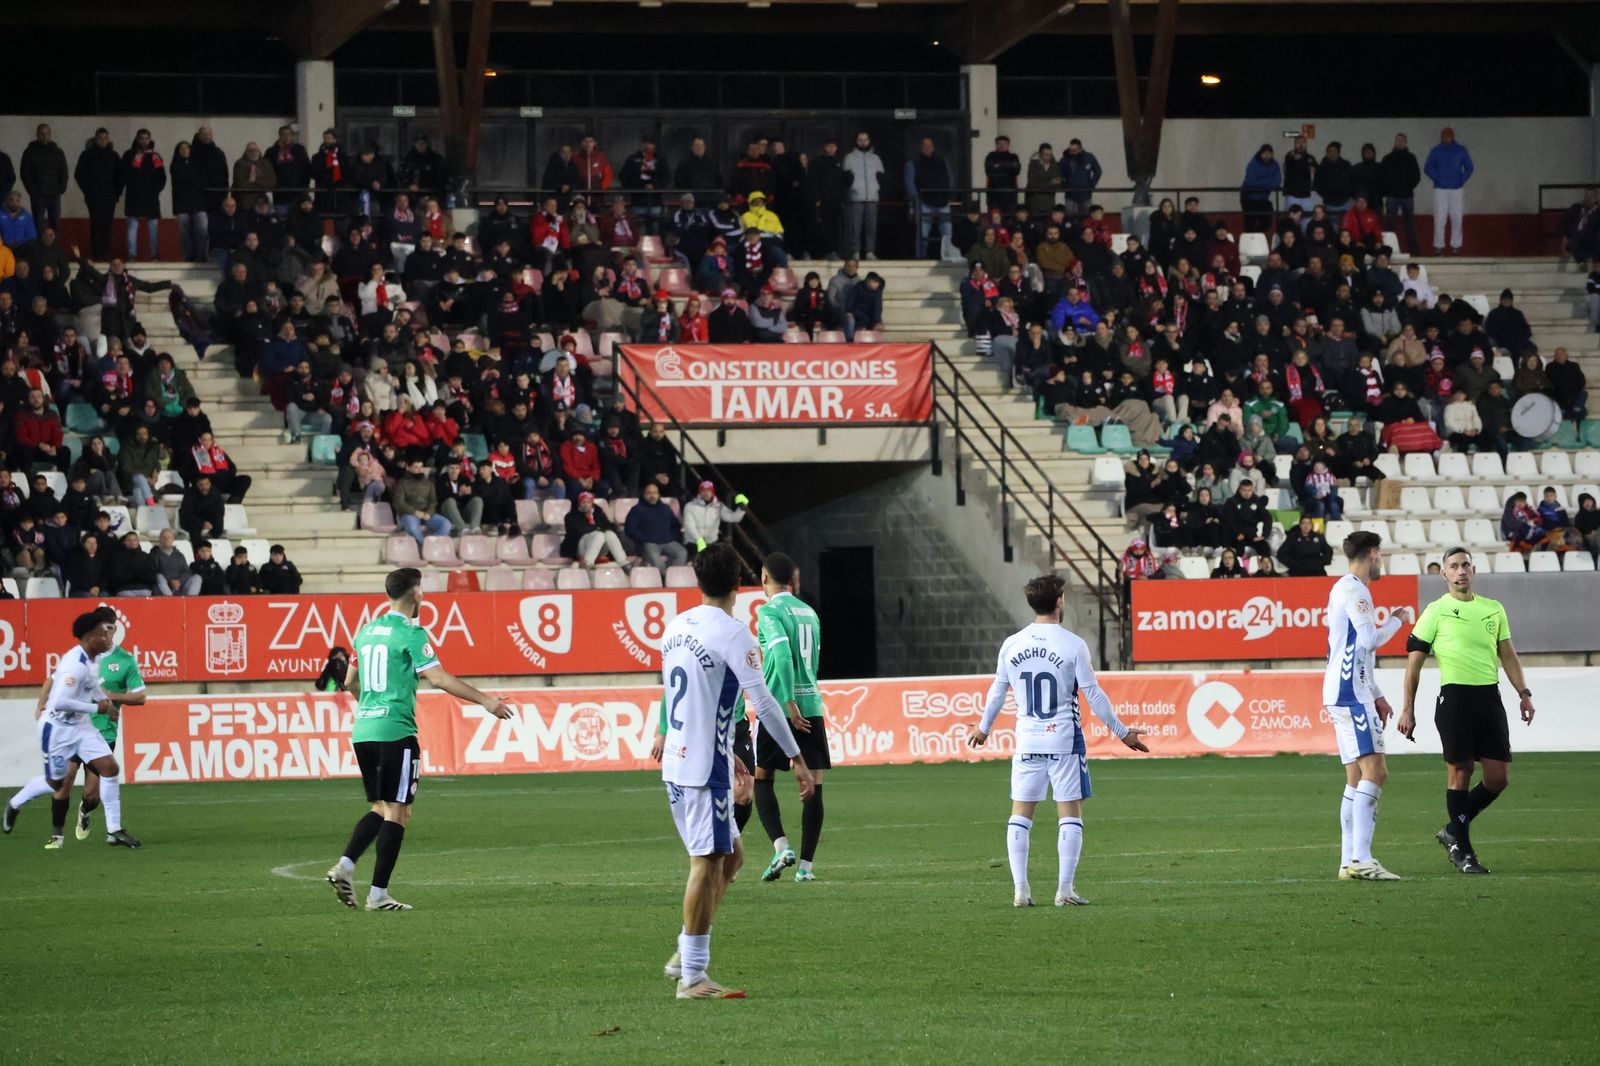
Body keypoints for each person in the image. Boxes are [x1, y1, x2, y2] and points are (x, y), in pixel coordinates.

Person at [650, 543, 813, 999]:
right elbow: (762, 702)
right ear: (739, 584)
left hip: (684, 762)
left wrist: (725, 747)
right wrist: (796, 757)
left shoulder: (676, 626)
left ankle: (687, 949)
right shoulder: (735, 632)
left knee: (734, 857)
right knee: (705, 863)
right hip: (703, 771)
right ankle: (693, 977)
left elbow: (676, 691)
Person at [324, 568, 512, 912]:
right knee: (399, 811)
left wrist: (371, 707)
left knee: (381, 808)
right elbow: (438, 678)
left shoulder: (366, 631)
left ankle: (348, 867)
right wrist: (486, 700)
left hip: (364, 729)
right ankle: (376, 894)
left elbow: (350, 681)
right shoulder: (411, 633)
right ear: (416, 593)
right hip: (395, 730)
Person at [968, 574, 1149, 908]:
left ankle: (1021, 890)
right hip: (1064, 741)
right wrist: (1123, 733)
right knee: (1070, 815)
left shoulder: (1012, 644)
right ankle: (1064, 890)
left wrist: (983, 727)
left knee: (1020, 814)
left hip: (1027, 740)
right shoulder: (1072, 644)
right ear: (1060, 601)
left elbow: (998, 691)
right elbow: (1093, 695)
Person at [1399, 548, 1534, 876]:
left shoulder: (1493, 609)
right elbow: (1413, 667)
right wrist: (1408, 708)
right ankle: (1464, 851)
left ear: (1473, 570)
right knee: (1460, 771)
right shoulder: (1435, 611)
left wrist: (1524, 693)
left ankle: (1451, 831)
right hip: (1455, 699)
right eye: (1453, 566)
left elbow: (1509, 656)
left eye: (1465, 565)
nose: (1460, 571)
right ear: (1444, 574)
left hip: (1489, 698)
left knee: (1498, 778)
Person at [1, 611, 139, 848]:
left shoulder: (90, 660)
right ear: (89, 637)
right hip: (57, 729)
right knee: (56, 784)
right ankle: (15, 803)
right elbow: (60, 702)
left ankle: (114, 829)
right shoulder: (74, 665)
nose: (108, 638)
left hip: (80, 726)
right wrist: (99, 708)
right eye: (103, 634)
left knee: (110, 768)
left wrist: (105, 703)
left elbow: (93, 685)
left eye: (109, 633)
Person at [1323, 530, 1412, 882]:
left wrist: (1375, 692)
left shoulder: (1347, 588)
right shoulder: (1353, 589)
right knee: (1376, 773)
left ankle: (1348, 862)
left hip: (1346, 690)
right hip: (1348, 694)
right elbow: (1371, 638)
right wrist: (1399, 619)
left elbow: (1356, 652)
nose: (1382, 562)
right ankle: (1362, 859)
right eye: (1382, 555)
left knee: (1355, 779)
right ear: (1373, 553)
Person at [743, 552, 830, 883]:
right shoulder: (810, 612)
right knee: (815, 785)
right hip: (813, 706)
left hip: (780, 708)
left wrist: (788, 700)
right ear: (792, 580)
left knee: (762, 777)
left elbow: (780, 654)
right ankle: (806, 869)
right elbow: (813, 661)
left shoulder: (768, 611)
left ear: (764, 578)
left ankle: (781, 848)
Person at [1424, 127, 1473, 255]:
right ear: (1441, 137)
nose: (1446, 138)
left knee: (1457, 217)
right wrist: (1438, 178)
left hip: (1457, 189)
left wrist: (1461, 180)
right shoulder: (1436, 151)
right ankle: (1438, 246)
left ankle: (1456, 245)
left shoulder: (1461, 150)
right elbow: (1428, 167)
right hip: (1440, 189)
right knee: (1440, 218)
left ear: (1453, 136)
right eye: (1444, 136)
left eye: (1449, 136)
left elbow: (1469, 167)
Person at [622, 483, 686, 578]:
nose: (652, 496)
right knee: (656, 560)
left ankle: (671, 577)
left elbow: (675, 526)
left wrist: (672, 537)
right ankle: (663, 580)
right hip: (649, 543)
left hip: (668, 541)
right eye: (649, 493)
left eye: (655, 493)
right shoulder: (636, 510)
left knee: (682, 553)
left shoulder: (666, 508)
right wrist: (644, 539)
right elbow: (630, 529)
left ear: (658, 495)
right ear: (644, 495)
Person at [1378, 134, 1421, 256]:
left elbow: (1417, 176)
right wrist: (1388, 190)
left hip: (1407, 196)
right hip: (1392, 196)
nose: (1400, 143)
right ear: (1394, 142)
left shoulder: (1411, 158)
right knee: (1390, 225)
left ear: (1406, 143)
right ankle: (1388, 251)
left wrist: (1408, 186)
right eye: (1398, 141)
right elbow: (1381, 177)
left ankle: (1415, 253)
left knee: (1410, 225)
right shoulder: (1388, 158)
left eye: (1402, 141)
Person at [561, 491, 628, 570]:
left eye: (588, 502)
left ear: (592, 503)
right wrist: (597, 527)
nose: (586, 505)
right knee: (599, 535)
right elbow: (580, 530)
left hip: (600, 548)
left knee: (609, 534)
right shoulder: (571, 516)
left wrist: (597, 524)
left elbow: (608, 526)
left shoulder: (598, 513)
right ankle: (587, 563)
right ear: (579, 503)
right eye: (583, 502)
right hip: (580, 547)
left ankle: (623, 562)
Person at [842, 132, 883, 260]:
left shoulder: (876, 158)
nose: (863, 142)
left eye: (865, 140)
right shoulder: (849, 158)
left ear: (869, 141)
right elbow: (845, 179)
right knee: (855, 227)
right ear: (856, 141)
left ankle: (870, 251)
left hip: (872, 197)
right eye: (860, 140)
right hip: (855, 198)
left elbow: (881, 177)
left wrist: (877, 188)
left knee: (871, 227)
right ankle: (855, 252)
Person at [682, 480, 747, 552]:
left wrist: (742, 508)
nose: (706, 493)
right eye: (703, 490)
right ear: (699, 492)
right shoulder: (690, 506)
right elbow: (689, 526)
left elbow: (733, 518)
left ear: (712, 492)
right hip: (693, 542)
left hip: (711, 543)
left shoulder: (719, 506)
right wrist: (699, 540)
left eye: (708, 490)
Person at [1239, 145, 1280, 233]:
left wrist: (1259, 182)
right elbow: (1250, 183)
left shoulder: (1274, 165)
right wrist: (1268, 181)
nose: (1267, 156)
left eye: (1269, 153)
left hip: (1263, 199)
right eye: (1264, 153)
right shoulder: (1253, 164)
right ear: (1260, 154)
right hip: (1248, 198)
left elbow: (1277, 183)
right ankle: (1250, 241)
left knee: (1267, 223)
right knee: (1250, 224)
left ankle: (1257, 236)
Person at [984, 135, 1021, 211]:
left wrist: (999, 166)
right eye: (999, 143)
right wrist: (1008, 167)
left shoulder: (1013, 157)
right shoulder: (991, 156)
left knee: (1010, 219)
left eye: (1004, 143)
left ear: (1008, 145)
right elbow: (990, 173)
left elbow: (1016, 170)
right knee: (995, 219)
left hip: (1010, 195)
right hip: (994, 195)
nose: (1001, 146)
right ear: (996, 145)